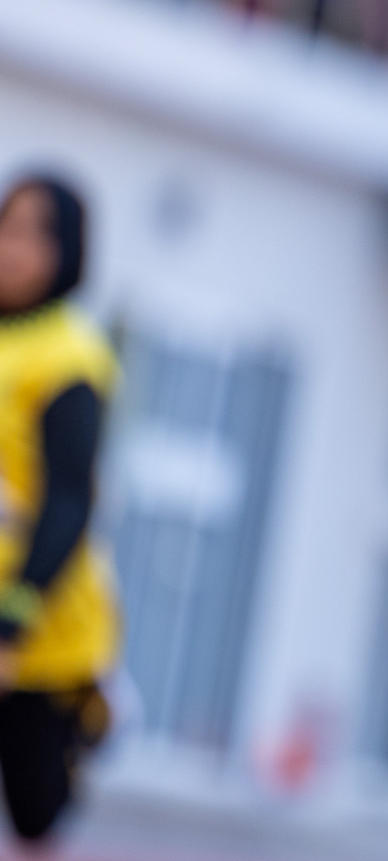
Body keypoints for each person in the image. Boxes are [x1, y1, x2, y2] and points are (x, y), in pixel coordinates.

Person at [0, 175, 118, 845]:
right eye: (6, 228)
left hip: (42, 633)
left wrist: (12, 622)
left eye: (31, 234)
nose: (11, 248)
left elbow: (68, 500)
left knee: (35, 821)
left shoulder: (69, 355)